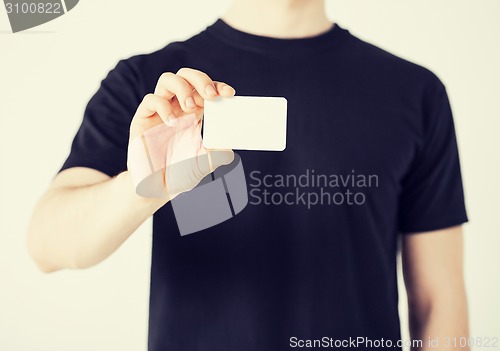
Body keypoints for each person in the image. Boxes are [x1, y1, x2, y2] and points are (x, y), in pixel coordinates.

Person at [26, 0, 470, 350]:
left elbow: (440, 300)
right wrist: (143, 187)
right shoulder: (151, 85)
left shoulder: (415, 92)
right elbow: (47, 245)